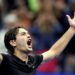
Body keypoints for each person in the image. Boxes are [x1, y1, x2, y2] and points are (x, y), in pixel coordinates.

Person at [0, 13, 75, 75]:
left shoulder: (33, 61)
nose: (28, 35)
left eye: (28, 34)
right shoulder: (5, 60)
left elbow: (54, 51)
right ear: (13, 42)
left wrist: (72, 29)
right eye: (23, 34)